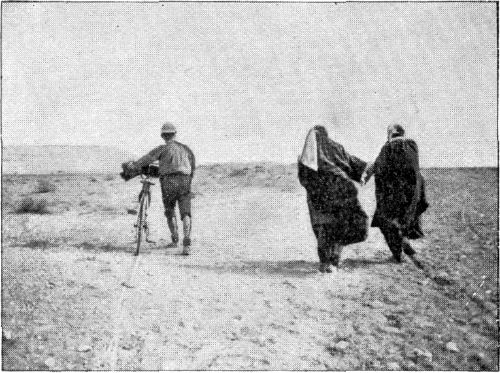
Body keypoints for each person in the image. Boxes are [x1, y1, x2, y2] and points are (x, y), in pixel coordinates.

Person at [298, 126, 369, 273]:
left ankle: (325, 262)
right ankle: (335, 259)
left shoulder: (306, 154)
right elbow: (354, 164)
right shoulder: (337, 148)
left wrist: (314, 187)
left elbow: (303, 178)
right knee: (342, 224)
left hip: (319, 197)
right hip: (342, 191)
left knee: (323, 227)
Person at [122, 122, 195, 255]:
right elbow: (192, 166)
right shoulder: (186, 149)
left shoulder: (162, 148)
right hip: (185, 181)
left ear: (163, 136)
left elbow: (147, 159)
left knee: (170, 210)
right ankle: (186, 245)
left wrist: (134, 166)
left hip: (168, 182)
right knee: (185, 213)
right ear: (175, 134)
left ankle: (174, 239)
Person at [363, 123, 429, 262]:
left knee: (385, 221)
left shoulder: (388, 148)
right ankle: (404, 241)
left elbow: (378, 166)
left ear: (390, 134)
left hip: (395, 195)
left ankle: (398, 254)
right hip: (413, 194)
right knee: (405, 220)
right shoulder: (412, 146)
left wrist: (366, 175)